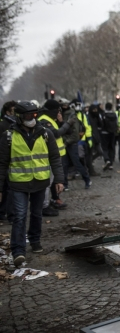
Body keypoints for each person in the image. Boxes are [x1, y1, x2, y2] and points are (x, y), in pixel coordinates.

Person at [0, 101, 64, 267]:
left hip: (40, 182)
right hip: (18, 184)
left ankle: (35, 240)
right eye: (29, 115)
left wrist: (58, 179)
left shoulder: (45, 133)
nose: (32, 118)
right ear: (20, 117)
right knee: (19, 216)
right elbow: (2, 163)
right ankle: (18, 250)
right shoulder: (9, 136)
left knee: (37, 214)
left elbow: (55, 158)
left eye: (34, 115)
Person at [38, 99, 76, 215]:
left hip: (57, 155)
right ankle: (44, 206)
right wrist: (67, 123)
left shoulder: (51, 119)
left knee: (54, 180)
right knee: (48, 182)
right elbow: (56, 134)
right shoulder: (44, 120)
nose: (59, 112)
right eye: (57, 110)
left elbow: (68, 132)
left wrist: (61, 122)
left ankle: (52, 200)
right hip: (48, 156)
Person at [63, 102, 92, 189]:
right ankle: (65, 184)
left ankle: (87, 179)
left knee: (76, 163)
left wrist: (66, 142)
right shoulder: (65, 115)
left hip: (71, 143)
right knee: (64, 164)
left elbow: (75, 133)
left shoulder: (71, 116)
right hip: (67, 143)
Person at [0, 101, 16, 222]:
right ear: (7, 112)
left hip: (11, 161)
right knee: (8, 189)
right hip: (5, 160)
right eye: (13, 111)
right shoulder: (3, 125)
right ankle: (8, 214)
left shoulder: (14, 125)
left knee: (7, 188)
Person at [101, 103, 118, 170]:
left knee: (104, 148)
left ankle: (107, 159)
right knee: (111, 147)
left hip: (104, 133)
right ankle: (111, 163)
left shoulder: (103, 115)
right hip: (112, 133)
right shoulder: (114, 114)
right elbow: (117, 123)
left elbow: (101, 123)